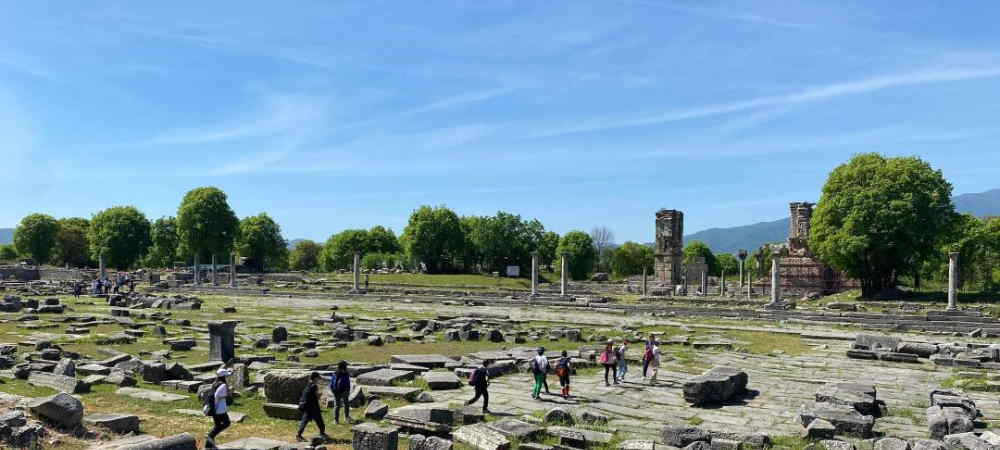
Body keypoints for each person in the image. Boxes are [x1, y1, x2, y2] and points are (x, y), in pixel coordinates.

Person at [297, 372, 329, 442]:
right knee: (319, 420)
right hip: (313, 406)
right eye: (318, 378)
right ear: (315, 378)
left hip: (307, 405)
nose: (319, 379)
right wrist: (321, 394)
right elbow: (317, 396)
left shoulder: (308, 384)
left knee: (304, 421)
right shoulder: (314, 386)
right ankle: (322, 433)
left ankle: (299, 435)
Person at [205, 367, 232, 448]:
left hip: (215, 408)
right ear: (224, 377)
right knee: (226, 423)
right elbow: (217, 396)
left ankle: (208, 445)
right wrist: (216, 407)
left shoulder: (215, 383)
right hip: (219, 409)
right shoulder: (223, 385)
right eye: (226, 376)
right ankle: (210, 435)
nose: (227, 377)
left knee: (217, 425)